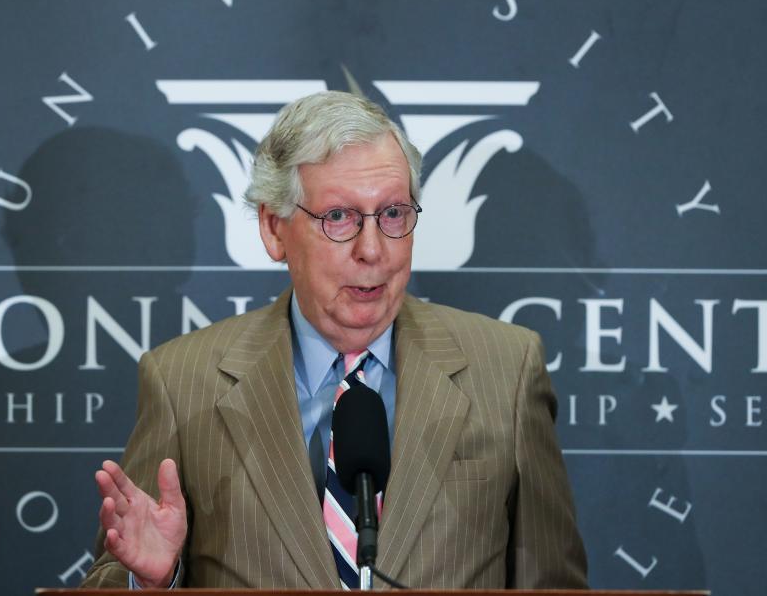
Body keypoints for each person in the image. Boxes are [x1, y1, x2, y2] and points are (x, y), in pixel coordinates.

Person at [81, 91, 588, 589]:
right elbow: (114, 572)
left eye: (392, 214)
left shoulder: (509, 369)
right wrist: (150, 582)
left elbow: (554, 584)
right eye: (339, 218)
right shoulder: (182, 382)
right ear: (274, 229)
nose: (373, 251)